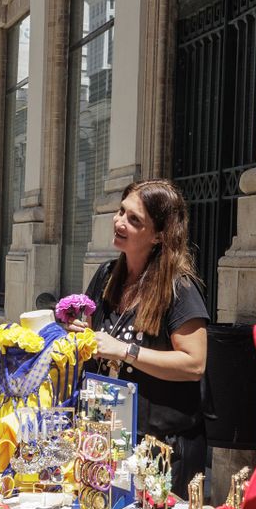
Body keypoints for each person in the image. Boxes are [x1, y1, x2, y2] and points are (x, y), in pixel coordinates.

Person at [72, 180, 210, 493]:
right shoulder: (107, 275)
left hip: (161, 448)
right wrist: (81, 337)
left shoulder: (179, 288)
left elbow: (194, 363)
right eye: (121, 212)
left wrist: (124, 350)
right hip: (108, 436)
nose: (120, 222)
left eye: (135, 220)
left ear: (160, 235)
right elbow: (96, 341)